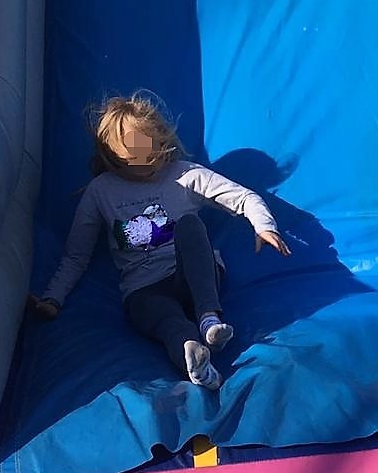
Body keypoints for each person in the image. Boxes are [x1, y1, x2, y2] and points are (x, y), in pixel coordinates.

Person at [30, 93, 291, 389]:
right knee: (167, 321)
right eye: (137, 160)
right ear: (114, 159)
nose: (152, 165)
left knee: (190, 225)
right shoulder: (101, 191)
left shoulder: (184, 175)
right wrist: (53, 298)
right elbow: (77, 255)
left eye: (155, 153)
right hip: (144, 288)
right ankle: (194, 359)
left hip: (192, 276)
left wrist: (264, 226)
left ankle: (208, 318)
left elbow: (243, 197)